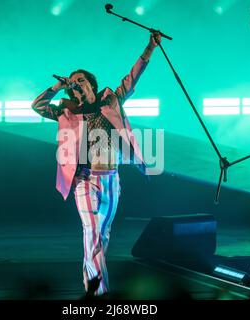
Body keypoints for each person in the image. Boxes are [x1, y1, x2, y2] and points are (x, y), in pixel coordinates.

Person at [32, 32, 161, 296]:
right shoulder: (66, 110)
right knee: (91, 232)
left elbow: (131, 79)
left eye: (81, 80)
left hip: (111, 178)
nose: (77, 84)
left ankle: (89, 290)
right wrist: (57, 87)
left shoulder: (110, 100)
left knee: (101, 237)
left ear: (91, 83)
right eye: (73, 82)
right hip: (83, 180)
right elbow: (37, 105)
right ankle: (102, 294)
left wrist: (149, 48)